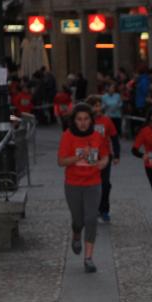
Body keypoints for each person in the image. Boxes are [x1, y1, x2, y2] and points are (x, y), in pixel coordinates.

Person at [57, 103, 110, 273]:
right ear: (74, 121)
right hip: (73, 184)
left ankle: (88, 258)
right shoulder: (67, 136)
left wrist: (103, 162)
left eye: (86, 119)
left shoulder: (97, 136)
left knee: (91, 219)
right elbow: (61, 162)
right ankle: (76, 233)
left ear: (91, 120)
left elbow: (105, 155)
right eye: (79, 119)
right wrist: (79, 155)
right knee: (78, 220)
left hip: (93, 183)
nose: (83, 123)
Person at [86, 95, 120, 223]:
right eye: (95, 105)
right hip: (90, 155)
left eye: (99, 105)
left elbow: (115, 138)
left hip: (105, 155)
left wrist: (117, 155)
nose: (98, 108)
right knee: (91, 184)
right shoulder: (86, 120)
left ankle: (104, 210)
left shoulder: (106, 121)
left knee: (105, 184)